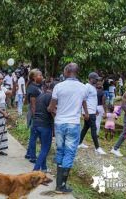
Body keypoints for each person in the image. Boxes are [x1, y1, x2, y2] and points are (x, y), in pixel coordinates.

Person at [47, 63, 89, 194]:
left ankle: (59, 184)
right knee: (69, 153)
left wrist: (50, 109)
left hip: (59, 123)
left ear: (66, 71)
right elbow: (83, 102)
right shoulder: (84, 88)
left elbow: (51, 106)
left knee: (60, 150)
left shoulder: (59, 86)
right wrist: (86, 113)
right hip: (73, 124)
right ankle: (61, 185)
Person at [32, 81, 58, 173]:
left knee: (43, 147)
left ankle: (44, 167)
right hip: (45, 125)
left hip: (37, 123)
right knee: (46, 148)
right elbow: (53, 111)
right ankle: (35, 170)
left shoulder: (42, 95)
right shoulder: (51, 97)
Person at [78, 72, 106, 154]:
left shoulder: (93, 87)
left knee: (85, 127)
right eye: (96, 79)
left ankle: (79, 143)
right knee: (94, 129)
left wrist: (96, 109)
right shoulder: (86, 87)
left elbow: (92, 100)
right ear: (91, 79)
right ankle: (97, 148)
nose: (97, 80)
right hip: (89, 112)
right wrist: (86, 112)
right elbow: (83, 100)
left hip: (92, 110)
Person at [0, 73, 16, 156]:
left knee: (2, 130)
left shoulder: (3, 89)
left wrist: (14, 83)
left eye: (2, 79)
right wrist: (3, 112)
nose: (2, 80)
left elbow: (12, 93)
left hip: (3, 111)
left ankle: (0, 149)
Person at [24, 69, 43, 164]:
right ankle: (32, 157)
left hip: (35, 114)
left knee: (33, 135)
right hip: (35, 115)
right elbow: (33, 106)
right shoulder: (33, 89)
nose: (42, 77)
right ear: (34, 77)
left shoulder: (36, 86)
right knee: (33, 137)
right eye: (40, 75)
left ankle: (28, 154)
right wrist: (36, 119)